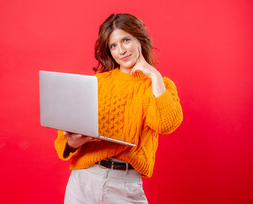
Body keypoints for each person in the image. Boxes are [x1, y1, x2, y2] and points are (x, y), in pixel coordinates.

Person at [54, 13, 183, 203]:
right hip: (84, 180)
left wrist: (154, 75)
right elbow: (62, 141)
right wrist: (74, 142)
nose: (121, 50)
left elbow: (166, 124)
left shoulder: (160, 84)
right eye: (113, 46)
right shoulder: (96, 83)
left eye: (126, 40)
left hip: (125, 184)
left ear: (139, 39)